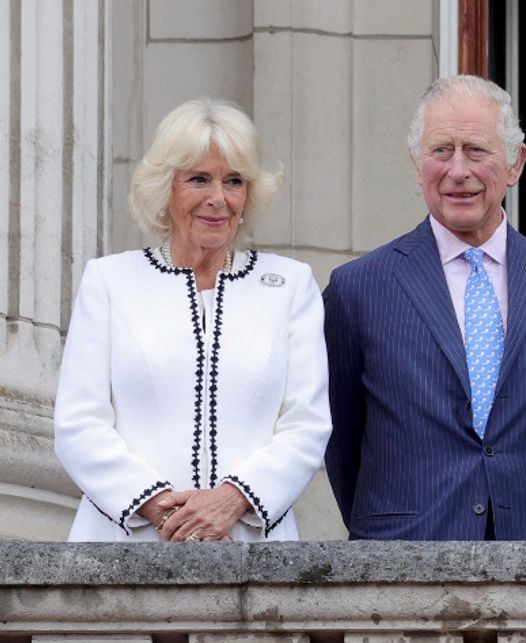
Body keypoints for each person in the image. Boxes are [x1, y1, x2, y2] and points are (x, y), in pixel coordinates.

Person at [322, 75, 526, 540]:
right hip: (402, 555)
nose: (458, 170)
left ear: (515, 163)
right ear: (417, 164)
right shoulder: (357, 288)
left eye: (476, 150)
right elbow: (341, 437)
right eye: (441, 150)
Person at [54, 98, 332, 542]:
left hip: (250, 545)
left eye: (234, 181)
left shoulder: (291, 286)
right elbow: (78, 424)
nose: (218, 199)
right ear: (165, 187)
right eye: (199, 179)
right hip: (126, 545)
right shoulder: (110, 281)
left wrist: (230, 501)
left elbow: (307, 424)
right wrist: (171, 515)